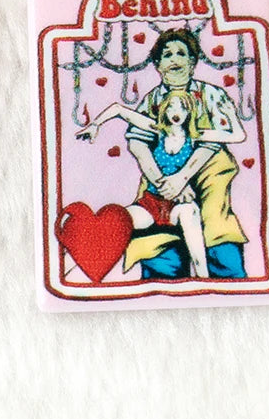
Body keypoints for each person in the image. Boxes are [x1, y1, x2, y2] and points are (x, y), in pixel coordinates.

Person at [102, 29, 246, 279]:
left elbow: (211, 142)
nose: (175, 60)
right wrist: (164, 182)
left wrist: (182, 179)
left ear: (193, 61)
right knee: (159, 241)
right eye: (167, 55)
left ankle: (220, 280)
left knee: (216, 228)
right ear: (158, 65)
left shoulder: (211, 95)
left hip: (208, 174)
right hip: (161, 177)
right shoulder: (153, 100)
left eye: (182, 53)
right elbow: (138, 145)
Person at [77, 90, 213, 278]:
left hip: (179, 204)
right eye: (171, 107)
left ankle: (203, 279)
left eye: (182, 108)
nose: (176, 112)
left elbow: (237, 135)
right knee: (114, 221)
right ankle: (85, 268)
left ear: (190, 111)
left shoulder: (197, 136)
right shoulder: (157, 129)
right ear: (164, 110)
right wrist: (95, 124)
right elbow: (119, 109)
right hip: (151, 203)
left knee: (191, 214)